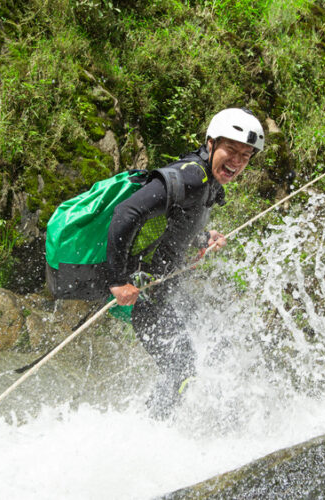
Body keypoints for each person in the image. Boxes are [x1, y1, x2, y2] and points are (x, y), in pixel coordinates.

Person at [105, 107, 265, 417]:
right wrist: (116, 280)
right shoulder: (192, 176)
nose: (236, 161)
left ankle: (153, 421)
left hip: (165, 292)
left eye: (245, 156)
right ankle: (151, 431)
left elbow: (173, 225)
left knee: (213, 347)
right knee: (183, 368)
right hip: (146, 295)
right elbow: (127, 213)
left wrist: (203, 239)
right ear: (210, 144)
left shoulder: (207, 182)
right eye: (230, 150)